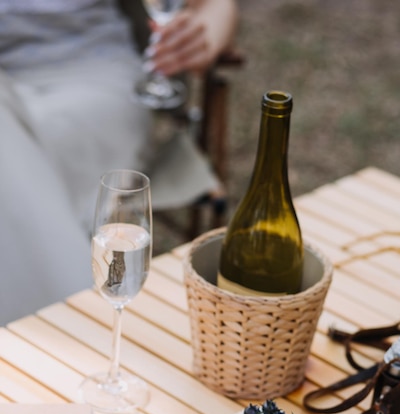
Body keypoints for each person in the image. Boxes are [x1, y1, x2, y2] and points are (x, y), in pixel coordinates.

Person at [0, 0, 238, 325]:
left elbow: (215, 5)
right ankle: (79, 329)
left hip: (92, 83)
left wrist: (200, 37)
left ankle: (66, 331)